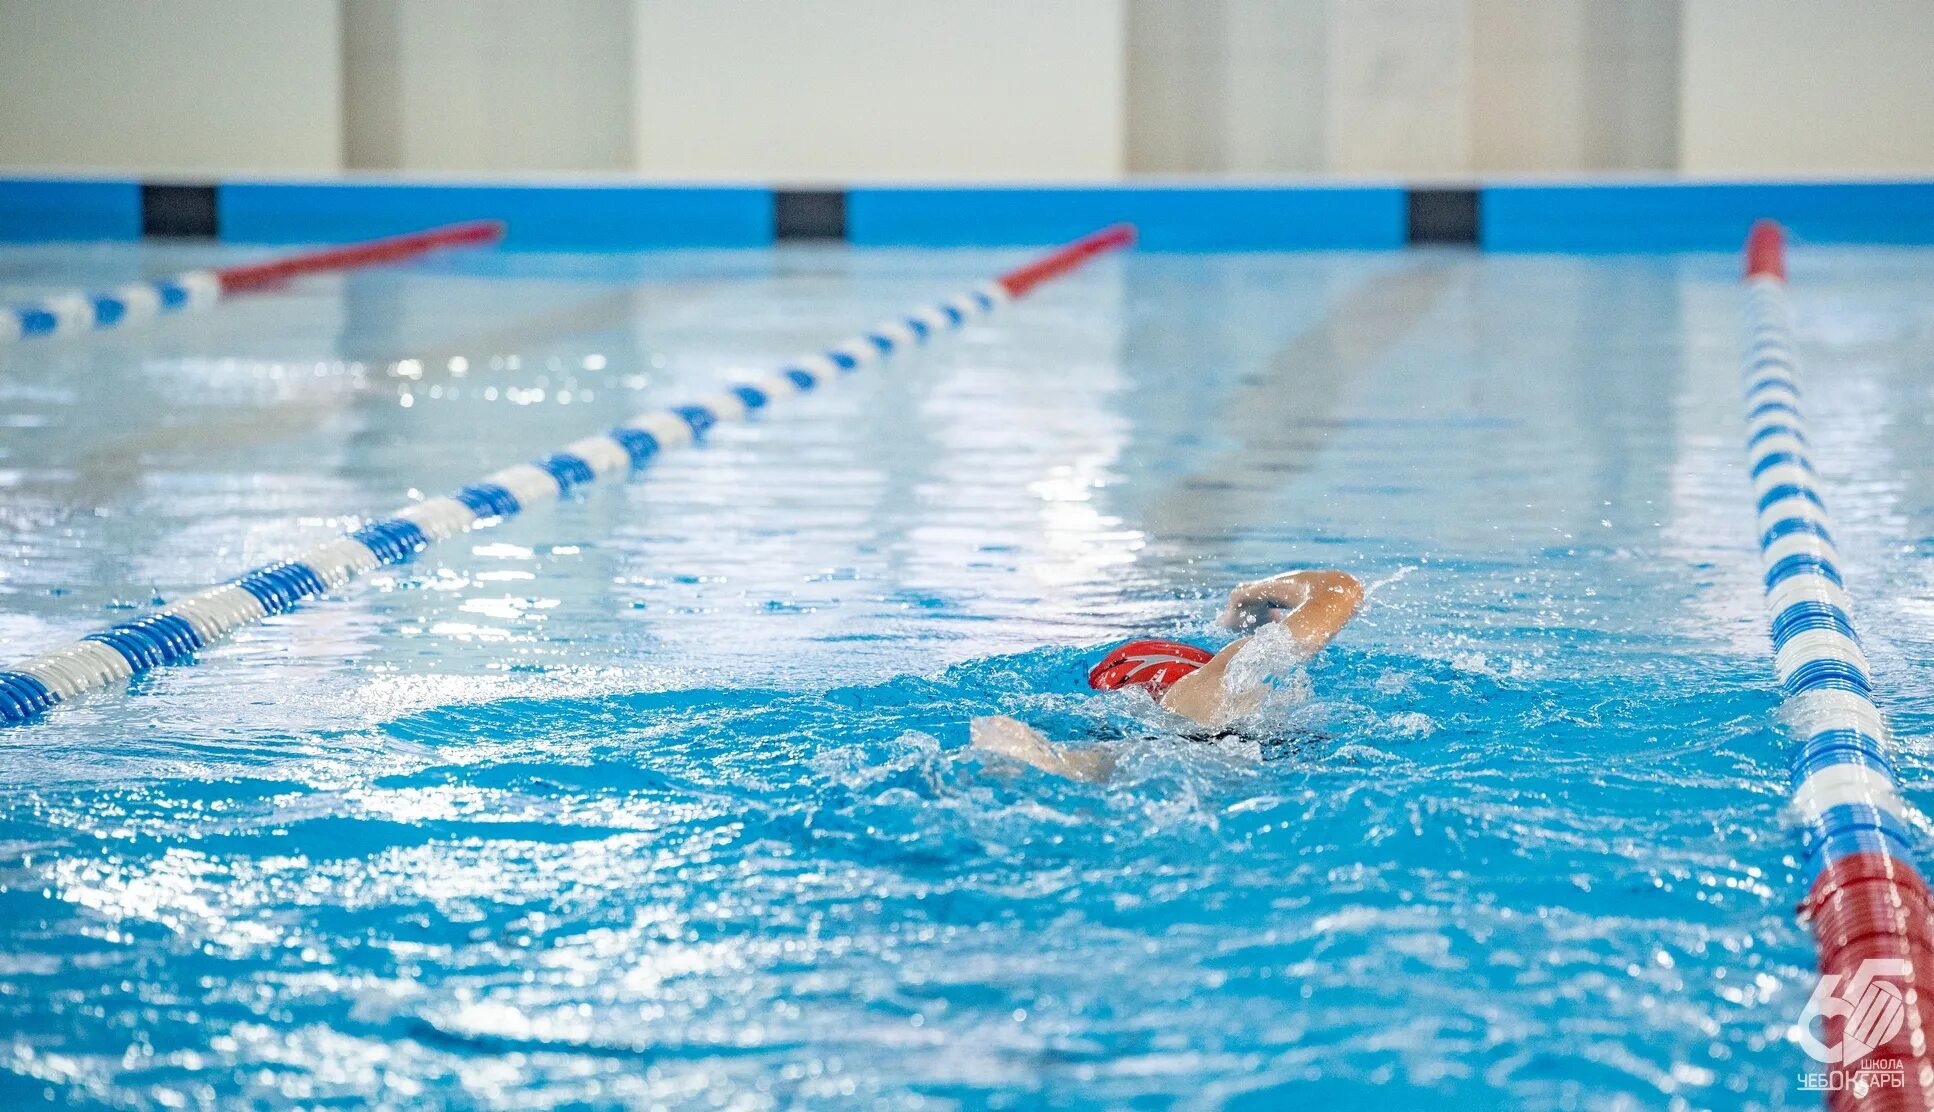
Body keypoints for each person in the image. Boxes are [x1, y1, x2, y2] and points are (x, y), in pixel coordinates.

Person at [970, 569, 1364, 781]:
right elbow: (1341, 589)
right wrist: (1247, 594)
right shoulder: (1222, 679)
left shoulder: (1172, 701)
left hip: (1167, 753)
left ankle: (1055, 762)